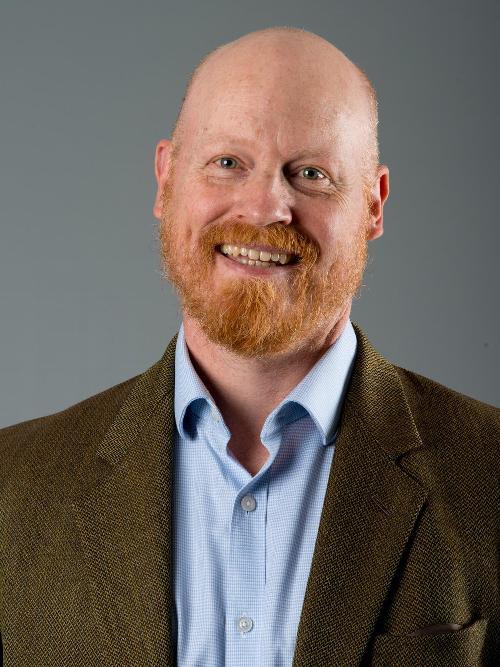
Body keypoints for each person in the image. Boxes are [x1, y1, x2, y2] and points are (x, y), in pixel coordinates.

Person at [0, 26, 498, 667]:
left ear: (373, 206)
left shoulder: (488, 478)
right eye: (229, 162)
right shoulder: (13, 495)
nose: (266, 207)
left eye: (312, 174)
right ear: (166, 180)